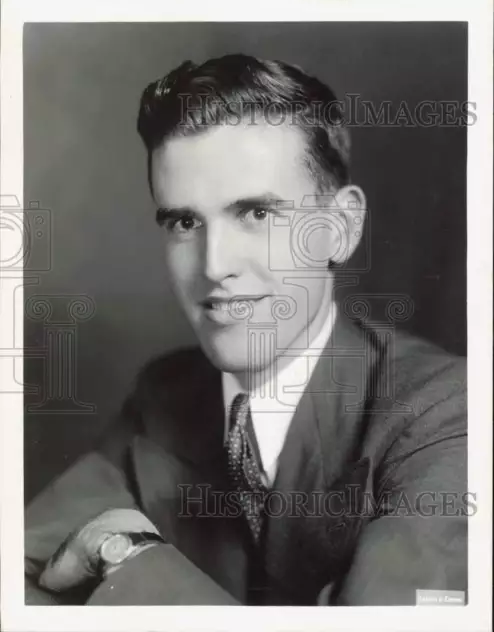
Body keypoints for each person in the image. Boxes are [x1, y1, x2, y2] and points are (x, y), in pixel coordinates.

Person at [24, 54, 468, 606]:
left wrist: (127, 554)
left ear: (341, 228)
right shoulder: (167, 394)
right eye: (185, 222)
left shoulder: (449, 410)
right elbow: (20, 574)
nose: (214, 266)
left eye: (257, 214)